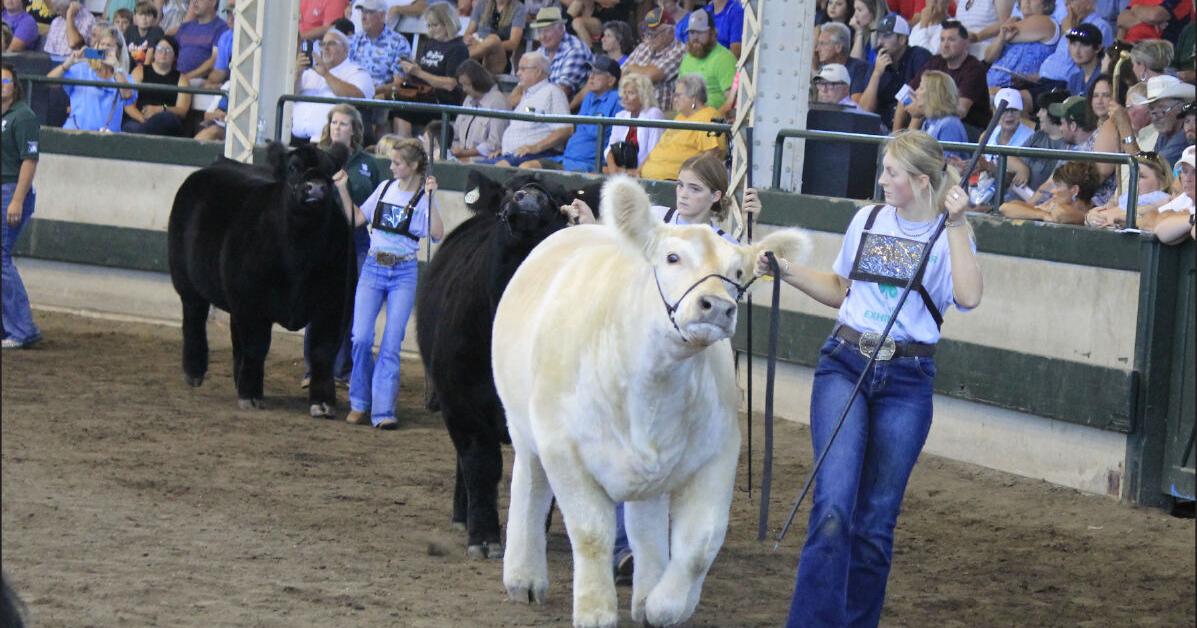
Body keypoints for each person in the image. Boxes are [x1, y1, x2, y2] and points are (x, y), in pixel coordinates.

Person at [763, 129, 982, 628]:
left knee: (876, 522)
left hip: (908, 377)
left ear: (922, 182)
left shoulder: (951, 235)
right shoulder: (868, 219)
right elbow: (842, 288)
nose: (881, 180)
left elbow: (968, 297)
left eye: (891, 173)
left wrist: (959, 223)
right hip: (846, 362)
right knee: (834, 506)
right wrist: (788, 271)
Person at [346, 139, 443, 430]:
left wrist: (432, 198)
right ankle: (360, 401)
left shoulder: (424, 197)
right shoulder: (384, 189)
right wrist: (341, 190)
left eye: (397, 163)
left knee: (391, 343)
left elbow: (437, 233)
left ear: (412, 166)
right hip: (374, 267)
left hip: (403, 270)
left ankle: (383, 409)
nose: (391, 167)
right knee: (361, 337)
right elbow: (358, 218)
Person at [299, 104, 384, 388]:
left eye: (344, 124)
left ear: (354, 130)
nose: (337, 127)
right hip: (323, 236)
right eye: (334, 122)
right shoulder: (317, 157)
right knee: (318, 300)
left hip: (356, 238)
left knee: (354, 301)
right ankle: (314, 368)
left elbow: (374, 202)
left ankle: (344, 368)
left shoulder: (367, 163)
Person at [520, 55, 622, 172]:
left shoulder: (617, 100)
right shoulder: (589, 97)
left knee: (528, 169)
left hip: (587, 164)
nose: (591, 77)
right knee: (526, 167)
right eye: (591, 72)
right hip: (566, 159)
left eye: (598, 73)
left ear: (611, 80)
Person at [2, 63, 42, 350]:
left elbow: (29, 160)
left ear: (14, 85)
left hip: (10, 189)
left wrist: (17, 198)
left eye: (4, 80)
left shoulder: (23, 116)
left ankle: (22, 328)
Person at [893, 20, 991, 134]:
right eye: (942, 39)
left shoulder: (974, 69)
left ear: (966, 43)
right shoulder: (935, 62)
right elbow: (904, 94)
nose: (945, 45)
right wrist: (895, 136)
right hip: (935, 122)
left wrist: (924, 109)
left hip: (968, 128)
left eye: (951, 39)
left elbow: (961, 111)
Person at [479, 51, 570, 166]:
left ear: (537, 71)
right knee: (476, 166)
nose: (517, 73)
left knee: (489, 169)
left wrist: (535, 147)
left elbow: (565, 130)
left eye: (523, 69)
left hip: (539, 154)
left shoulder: (553, 92)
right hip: (513, 155)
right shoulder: (527, 95)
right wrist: (505, 149)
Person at [392, 3, 468, 136]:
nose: (431, 30)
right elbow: (423, 71)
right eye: (429, 26)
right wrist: (410, 69)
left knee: (402, 110)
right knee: (395, 104)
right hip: (424, 95)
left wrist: (419, 72)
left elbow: (450, 84)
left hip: (444, 101)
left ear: (447, 23)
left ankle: (405, 149)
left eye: (435, 25)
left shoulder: (458, 48)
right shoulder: (430, 43)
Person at [291, 28, 374, 143]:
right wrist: (297, 73)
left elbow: (358, 96)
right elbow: (291, 95)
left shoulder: (357, 72)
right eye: (322, 44)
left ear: (345, 49)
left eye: (331, 44)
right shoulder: (309, 73)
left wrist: (326, 75)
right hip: (296, 140)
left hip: (331, 145)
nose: (325, 48)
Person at [47, 26, 136, 132]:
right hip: (76, 133)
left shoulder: (124, 76)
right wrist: (68, 63)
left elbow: (127, 95)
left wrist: (116, 67)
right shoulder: (81, 69)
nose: (104, 48)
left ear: (119, 51)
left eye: (109, 45)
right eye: (102, 44)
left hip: (107, 138)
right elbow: (49, 82)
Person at [639, 73, 726, 180]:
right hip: (649, 179)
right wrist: (639, 170)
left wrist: (687, 180)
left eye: (678, 95)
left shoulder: (709, 116)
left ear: (693, 98)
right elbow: (659, 148)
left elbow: (712, 155)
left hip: (676, 183)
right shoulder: (680, 117)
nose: (674, 99)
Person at [859, 14, 932, 130]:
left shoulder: (918, 56)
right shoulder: (878, 63)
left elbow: (923, 102)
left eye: (886, 36)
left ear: (902, 39)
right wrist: (876, 74)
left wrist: (898, 139)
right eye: (878, 36)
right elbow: (865, 110)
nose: (880, 42)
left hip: (913, 130)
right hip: (881, 129)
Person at [983, 0, 1059, 97]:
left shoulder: (1047, 22)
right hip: (992, 88)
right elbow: (988, 57)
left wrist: (1002, 34)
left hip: (1019, 90)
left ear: (1046, 5)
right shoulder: (1013, 24)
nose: (1027, 1)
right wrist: (1002, 37)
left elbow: (1009, 32)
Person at [1035, 0, 1113, 93]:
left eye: (1072, 1)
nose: (1066, 4)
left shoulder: (1100, 26)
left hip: (1064, 84)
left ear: (1089, 3)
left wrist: (1069, 31)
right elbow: (1060, 59)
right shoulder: (1072, 22)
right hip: (1043, 79)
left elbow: (1083, 61)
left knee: (1021, 98)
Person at [1085, 150, 1173, 228]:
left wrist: (1105, 216)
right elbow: (1107, 211)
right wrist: (1090, 217)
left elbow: (1118, 216)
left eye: (1141, 176)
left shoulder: (1164, 201)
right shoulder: (1124, 198)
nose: (1134, 180)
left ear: (1162, 182)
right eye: (1133, 175)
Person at [123, 36, 191, 135]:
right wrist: (143, 120)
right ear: (154, 53)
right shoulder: (140, 71)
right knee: (132, 128)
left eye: (168, 50)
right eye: (160, 49)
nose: (164, 53)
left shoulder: (181, 79)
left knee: (167, 118)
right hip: (139, 119)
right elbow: (129, 105)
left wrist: (161, 109)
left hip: (166, 121)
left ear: (175, 56)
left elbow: (182, 111)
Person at [623, 7, 685, 112]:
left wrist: (632, 68)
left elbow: (649, 75)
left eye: (654, 33)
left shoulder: (679, 50)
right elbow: (622, 74)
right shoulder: (644, 47)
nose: (650, 37)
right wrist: (640, 70)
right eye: (648, 33)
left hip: (658, 114)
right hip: (633, 109)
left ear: (670, 32)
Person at [998, 160, 1101, 223]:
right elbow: (1005, 208)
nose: (1053, 191)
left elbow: (1060, 214)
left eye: (1058, 186)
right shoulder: (1052, 205)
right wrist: (1042, 214)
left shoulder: (1095, 211)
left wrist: (1048, 210)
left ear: (1074, 190)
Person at [603, 72, 664, 176]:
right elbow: (610, 148)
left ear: (643, 96)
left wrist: (637, 172)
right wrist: (613, 168)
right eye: (624, 93)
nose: (625, 97)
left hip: (644, 172)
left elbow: (654, 151)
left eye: (631, 93)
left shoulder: (653, 113)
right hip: (621, 171)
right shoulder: (620, 115)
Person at [527, 6, 592, 102]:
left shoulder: (575, 50)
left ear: (561, 29)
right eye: (539, 31)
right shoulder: (542, 50)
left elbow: (559, 94)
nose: (542, 36)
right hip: (542, 104)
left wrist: (527, 99)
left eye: (547, 30)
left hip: (566, 111)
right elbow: (523, 85)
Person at [450, 59, 510, 162]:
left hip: (482, 160)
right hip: (460, 157)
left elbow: (495, 143)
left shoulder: (497, 102)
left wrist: (465, 154)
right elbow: (456, 132)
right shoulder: (468, 99)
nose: (464, 89)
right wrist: (455, 150)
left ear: (478, 81)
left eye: (467, 84)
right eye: (462, 85)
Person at [349, 0, 412, 98]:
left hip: (377, 99)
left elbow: (399, 83)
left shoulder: (398, 42)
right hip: (349, 94)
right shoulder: (354, 40)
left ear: (382, 16)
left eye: (369, 12)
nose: (363, 17)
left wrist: (368, 92)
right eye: (362, 12)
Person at [677, 9, 736, 114]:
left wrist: (713, 119)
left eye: (700, 32)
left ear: (713, 34)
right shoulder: (687, 59)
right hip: (686, 118)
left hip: (711, 122)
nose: (695, 37)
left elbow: (732, 102)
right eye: (692, 32)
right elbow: (679, 95)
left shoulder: (724, 58)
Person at [1140, 74, 1194, 169]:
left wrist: (1127, 135)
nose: (1156, 116)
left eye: (1163, 108)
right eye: (1152, 110)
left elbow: (1154, 169)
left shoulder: (1186, 135)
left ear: (1180, 107)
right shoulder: (1164, 134)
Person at [912, 70, 968, 160]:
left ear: (934, 94)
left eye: (921, 88)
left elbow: (949, 165)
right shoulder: (928, 122)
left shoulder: (950, 125)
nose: (916, 92)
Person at [463, 0, 525, 75]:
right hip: (477, 54)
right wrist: (469, 39)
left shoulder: (518, 8)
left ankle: (461, 57)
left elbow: (513, 43)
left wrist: (490, 45)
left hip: (498, 58)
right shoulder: (481, 4)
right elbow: (468, 33)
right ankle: (462, 57)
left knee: (493, 39)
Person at [174, 0, 228, 81]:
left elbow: (214, 61)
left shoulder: (222, 28)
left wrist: (186, 78)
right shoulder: (185, 27)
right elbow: (172, 52)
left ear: (213, 2)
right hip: (177, 79)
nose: (194, 2)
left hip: (203, 81)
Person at [816, 22, 869, 101]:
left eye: (823, 44)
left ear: (838, 47)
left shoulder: (859, 68)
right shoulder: (824, 69)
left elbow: (855, 105)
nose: (817, 49)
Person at [1064, 24, 1104, 97]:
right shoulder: (1074, 79)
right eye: (1074, 44)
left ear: (1098, 48)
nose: (1077, 51)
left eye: (1084, 44)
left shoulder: (1105, 76)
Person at [124, 1, 165, 67]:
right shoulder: (130, 30)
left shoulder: (157, 32)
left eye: (148, 15)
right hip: (129, 70)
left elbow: (150, 54)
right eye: (140, 14)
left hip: (148, 70)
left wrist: (144, 72)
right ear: (135, 17)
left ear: (154, 19)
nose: (144, 18)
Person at [848, 0, 888, 66]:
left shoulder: (886, 30)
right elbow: (854, 67)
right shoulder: (865, 31)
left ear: (873, 10)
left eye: (859, 10)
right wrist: (859, 33)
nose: (855, 15)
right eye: (855, 10)